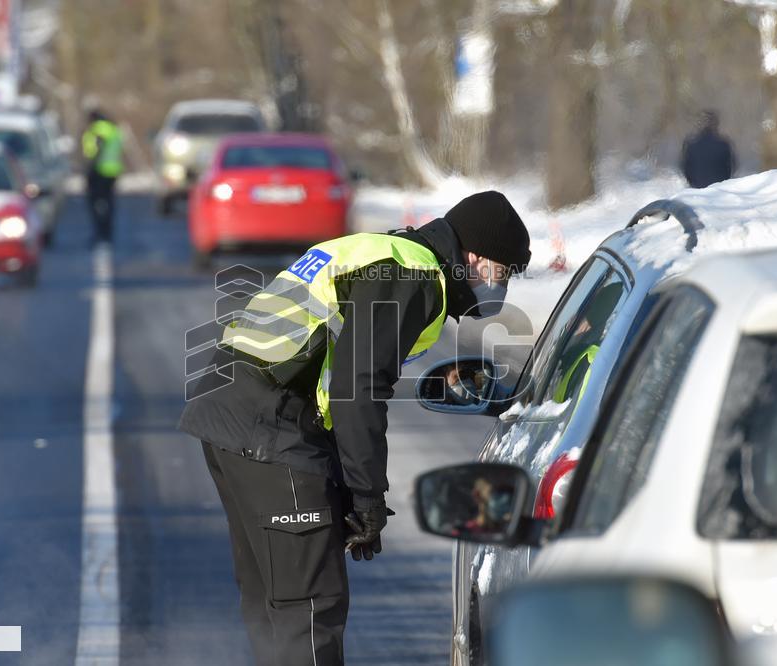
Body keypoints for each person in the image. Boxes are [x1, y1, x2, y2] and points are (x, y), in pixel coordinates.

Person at [178, 191, 531, 665]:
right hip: (269, 425)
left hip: (230, 416)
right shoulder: (413, 275)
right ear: (474, 256)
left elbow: (332, 376)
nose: (500, 288)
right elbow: (357, 390)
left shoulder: (387, 254)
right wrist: (366, 498)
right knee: (309, 609)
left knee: (272, 605)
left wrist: (343, 484)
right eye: (501, 272)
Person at [81, 109, 123, 244]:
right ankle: (107, 232)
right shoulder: (112, 129)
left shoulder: (97, 130)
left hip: (99, 171)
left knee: (95, 203)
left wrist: (90, 168)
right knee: (109, 202)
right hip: (112, 171)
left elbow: (98, 149)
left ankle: (99, 232)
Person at [680, 110, 736, 189]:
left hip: (697, 187)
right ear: (716, 124)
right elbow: (730, 166)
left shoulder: (691, 142)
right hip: (717, 188)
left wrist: (692, 182)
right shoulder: (723, 143)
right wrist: (723, 182)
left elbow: (685, 166)